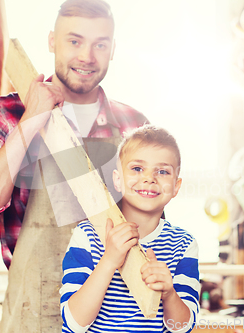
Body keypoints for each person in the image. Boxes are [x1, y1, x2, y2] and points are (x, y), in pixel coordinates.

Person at [0, 0, 148, 268]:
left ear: (113, 49)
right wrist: (31, 120)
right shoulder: (5, 113)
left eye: (100, 45)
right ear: (52, 41)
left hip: (116, 306)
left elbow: (152, 233)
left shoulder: (135, 127)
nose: (87, 57)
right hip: (32, 305)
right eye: (74, 41)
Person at [60, 125, 200, 333]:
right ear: (118, 180)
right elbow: (74, 323)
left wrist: (169, 293)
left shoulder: (183, 244)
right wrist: (109, 260)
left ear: (176, 187)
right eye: (137, 168)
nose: (149, 178)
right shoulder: (87, 235)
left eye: (162, 171)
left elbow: (182, 328)